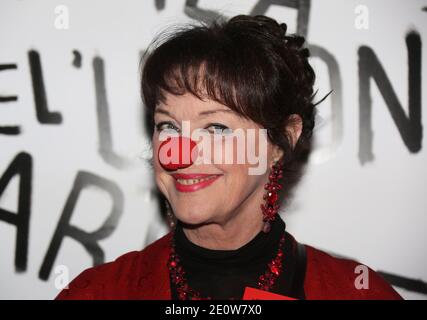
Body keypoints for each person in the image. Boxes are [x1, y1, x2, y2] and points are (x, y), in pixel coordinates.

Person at [56, 14, 402, 300]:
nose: (179, 154)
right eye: (168, 126)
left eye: (217, 128)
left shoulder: (357, 292)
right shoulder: (97, 292)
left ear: (281, 142)